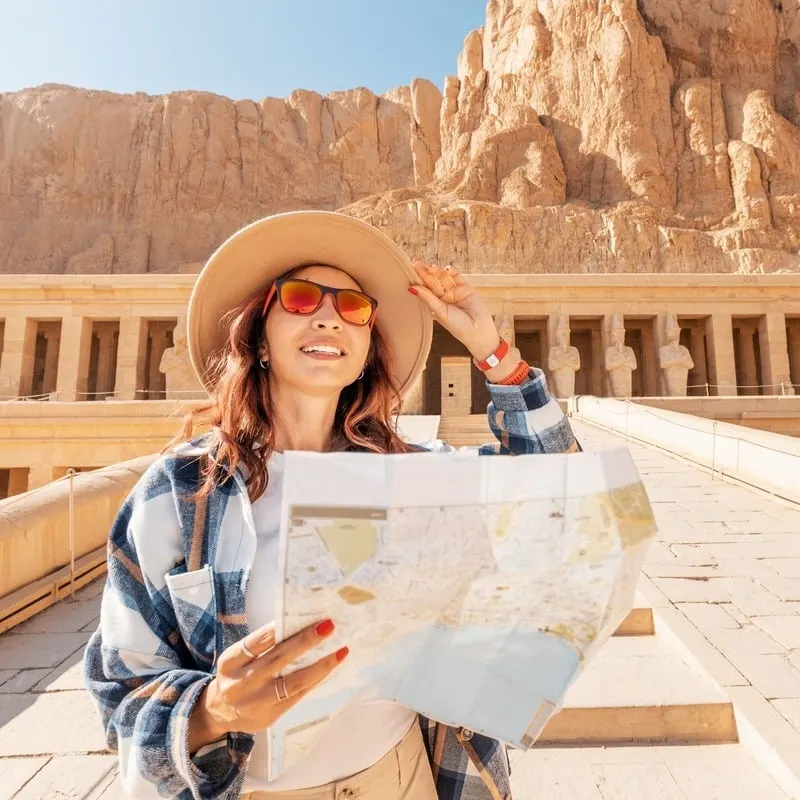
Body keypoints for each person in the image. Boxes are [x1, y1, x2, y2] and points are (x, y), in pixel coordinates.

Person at [84, 211, 580, 800]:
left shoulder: (411, 475)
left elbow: (560, 486)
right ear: (259, 336)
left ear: (367, 348)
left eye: (354, 307)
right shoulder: (183, 490)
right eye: (299, 298)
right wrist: (212, 709)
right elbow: (121, 688)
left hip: (402, 777)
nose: (328, 315)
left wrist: (491, 348)